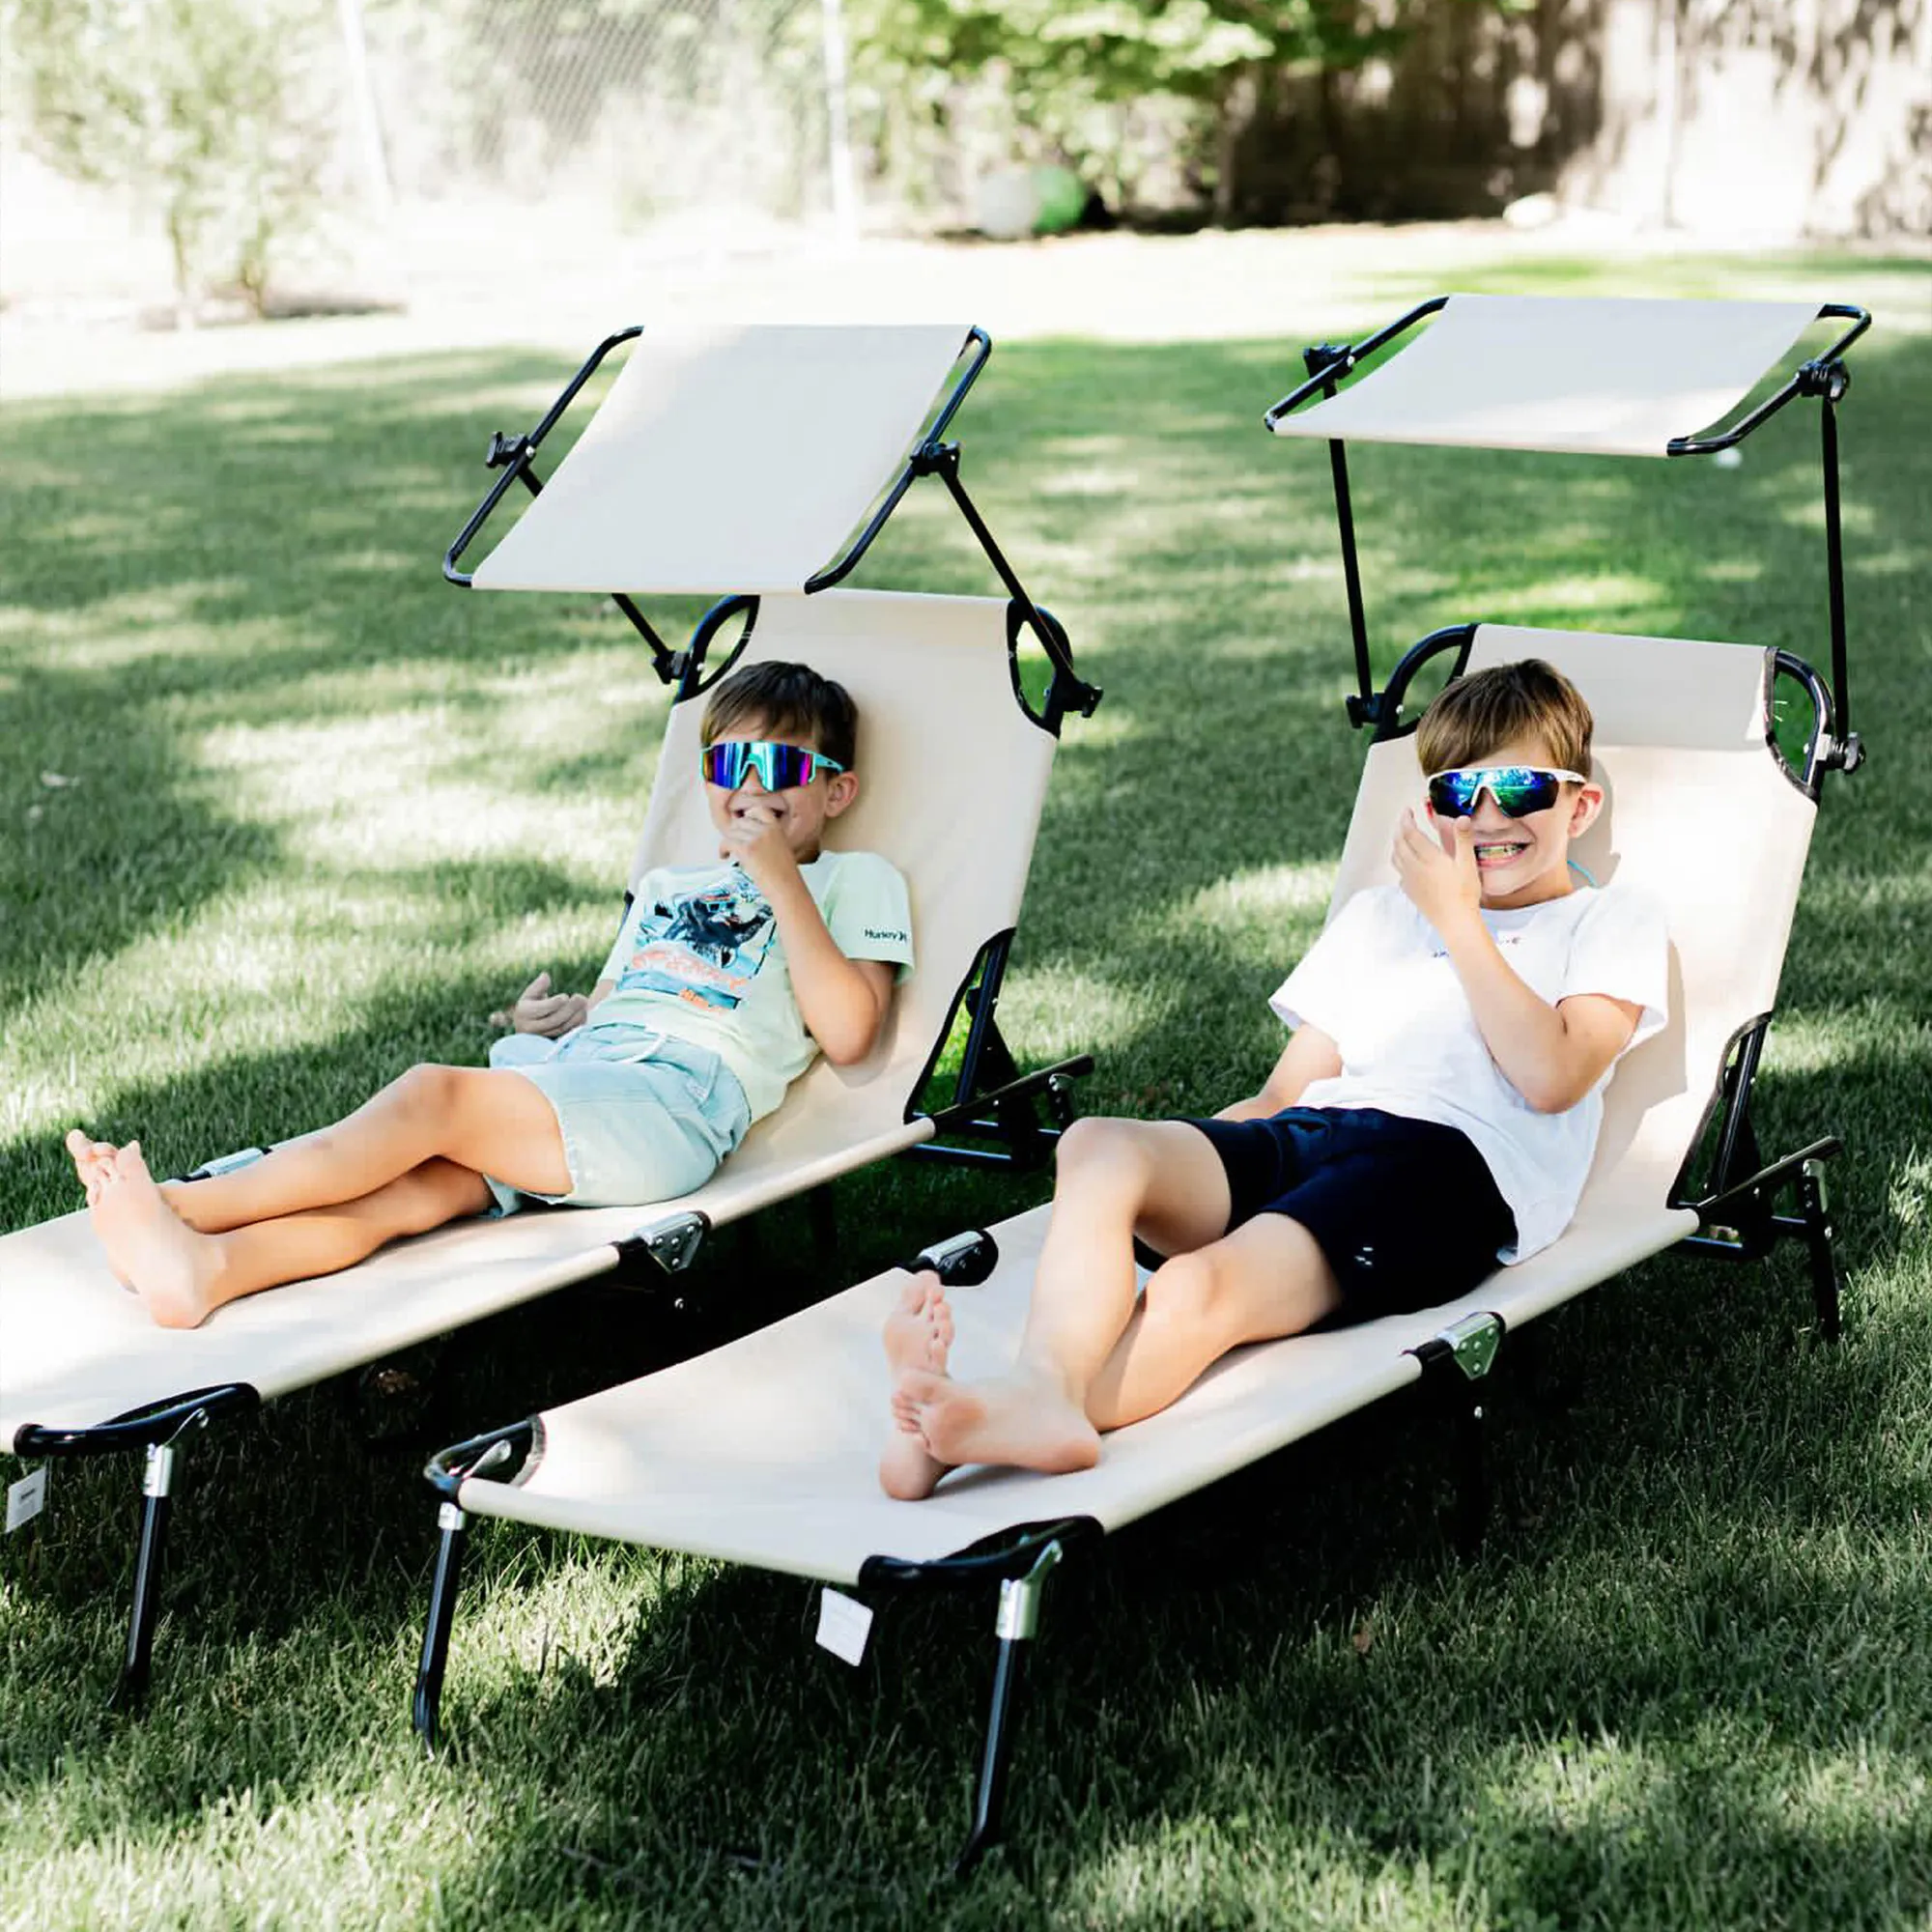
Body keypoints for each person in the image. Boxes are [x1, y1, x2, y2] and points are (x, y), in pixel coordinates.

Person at [879, 658, 1666, 1500]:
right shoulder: (1383, 916)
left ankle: (975, 1424)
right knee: (1098, 1145)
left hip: (1446, 1172)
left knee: (1198, 1285)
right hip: (1320, 1133)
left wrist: (1457, 919)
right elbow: (1284, 1096)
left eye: (1518, 789)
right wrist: (1196, 1164)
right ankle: (1027, 1398)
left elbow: (1552, 1077)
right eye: (1455, 794)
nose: (1485, 817)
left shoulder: (1608, 920)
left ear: (1580, 806)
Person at [70, 661, 914, 1330]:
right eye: (729, 763)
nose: (751, 785)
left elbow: (850, 1034)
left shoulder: (853, 879)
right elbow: (618, 1003)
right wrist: (558, 1020)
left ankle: (180, 1207)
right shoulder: (669, 885)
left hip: (675, 1105)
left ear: (836, 791)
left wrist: (780, 881)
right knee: (416, 1189)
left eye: (780, 765)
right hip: (589, 1077)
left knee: (433, 1096)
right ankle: (205, 1271)